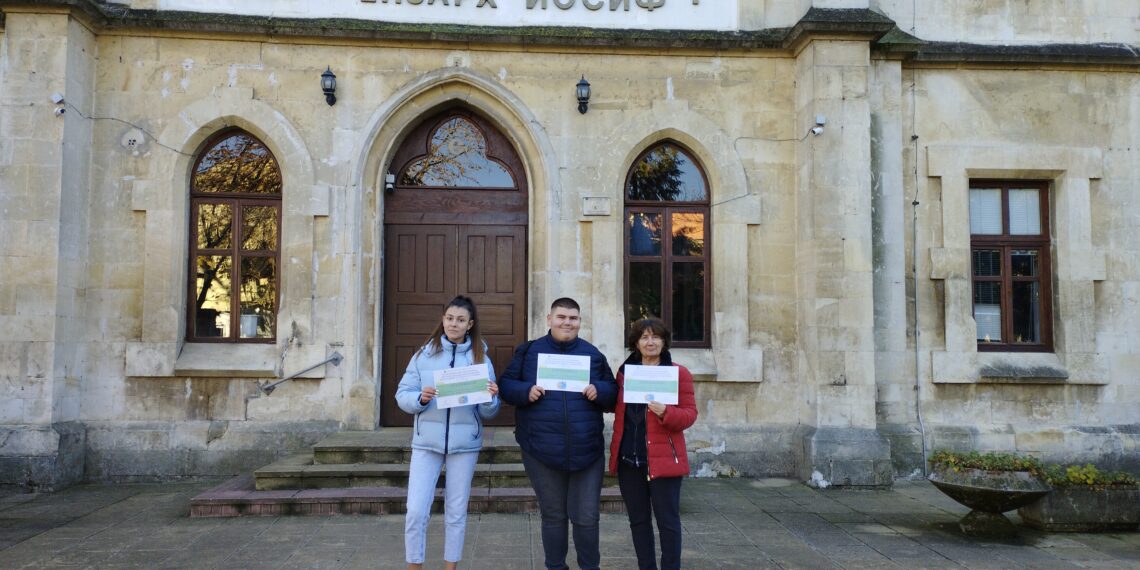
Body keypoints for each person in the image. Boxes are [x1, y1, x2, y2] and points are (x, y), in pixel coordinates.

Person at [499, 297, 618, 570]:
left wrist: (600, 391)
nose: (567, 322)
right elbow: (506, 385)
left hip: (587, 450)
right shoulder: (528, 352)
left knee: (587, 517)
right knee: (553, 516)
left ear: (580, 321)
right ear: (549, 319)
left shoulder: (592, 354)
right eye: (561, 317)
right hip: (540, 449)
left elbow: (613, 394)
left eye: (573, 318)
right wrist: (525, 391)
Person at [395, 296, 500, 570]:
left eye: (461, 320)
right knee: (416, 510)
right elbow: (402, 395)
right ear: (443, 320)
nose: (454, 324)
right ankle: (414, 566)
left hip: (464, 445)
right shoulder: (423, 355)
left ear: (470, 325)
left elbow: (489, 412)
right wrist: (420, 398)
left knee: (456, 511)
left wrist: (490, 398)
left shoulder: (481, 359)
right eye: (450, 318)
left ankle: (450, 567)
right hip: (426, 443)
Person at [609, 318, 698, 570]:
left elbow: (690, 415)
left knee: (668, 521)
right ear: (636, 343)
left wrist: (666, 413)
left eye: (656, 337)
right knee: (638, 521)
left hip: (664, 460)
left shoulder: (678, 373)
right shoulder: (625, 373)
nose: (651, 342)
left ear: (664, 341)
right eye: (645, 337)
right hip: (629, 459)